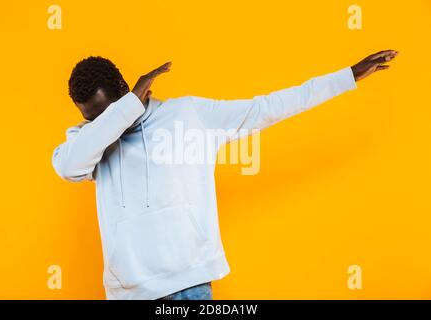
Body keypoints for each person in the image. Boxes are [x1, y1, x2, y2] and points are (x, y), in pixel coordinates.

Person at [52, 50, 398, 300]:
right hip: (127, 292)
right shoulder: (84, 141)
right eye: (93, 119)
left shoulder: (187, 114)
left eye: (107, 113)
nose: (102, 125)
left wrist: (346, 77)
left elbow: (266, 107)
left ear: (126, 91)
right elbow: (69, 169)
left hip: (188, 285)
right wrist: (124, 109)